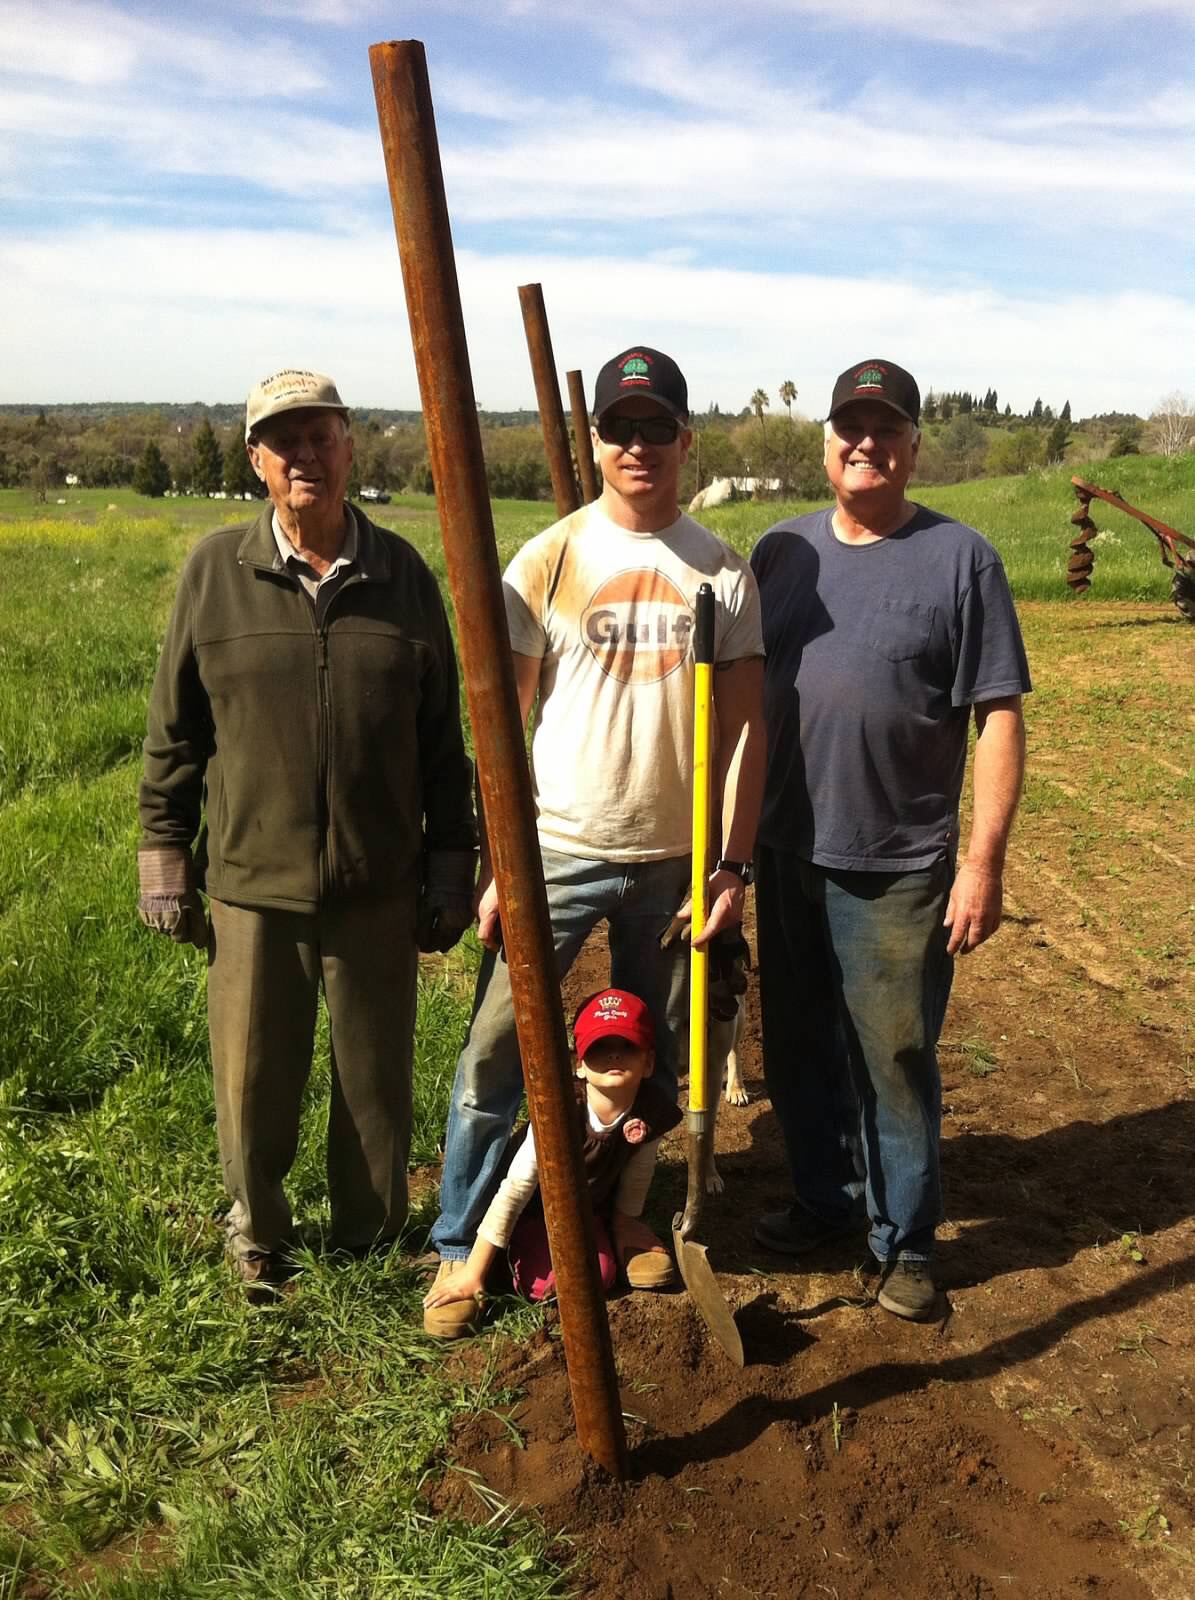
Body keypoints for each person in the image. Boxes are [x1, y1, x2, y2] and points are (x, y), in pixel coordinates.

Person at [425, 345, 766, 1337]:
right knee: (500, 1047)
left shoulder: (722, 569)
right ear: (597, 441)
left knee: (658, 1057)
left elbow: (748, 733)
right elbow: (499, 721)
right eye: (619, 428)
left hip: (674, 858)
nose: (636, 445)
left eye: (656, 427)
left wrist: (732, 865)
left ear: (683, 441)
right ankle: (462, 1245)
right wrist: (499, 864)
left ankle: (633, 1219)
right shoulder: (549, 559)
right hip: (560, 849)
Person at [137, 368, 476, 1289]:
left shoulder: (401, 576)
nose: (304, 456)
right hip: (252, 884)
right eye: (282, 441)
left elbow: (442, 742)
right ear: (257, 460)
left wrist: (451, 865)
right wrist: (164, 856)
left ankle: (367, 1237)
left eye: (320, 436)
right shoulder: (215, 572)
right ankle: (258, 1237)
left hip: (375, 884)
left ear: (350, 444)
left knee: (373, 1087)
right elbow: (174, 732)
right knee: (252, 1085)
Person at [749, 358, 1030, 1321]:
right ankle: (825, 1203)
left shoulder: (962, 561)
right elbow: (741, 704)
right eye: (848, 427)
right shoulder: (778, 552)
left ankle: (904, 1244)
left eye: (885, 428)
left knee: (894, 1062)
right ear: (826, 442)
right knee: (793, 1047)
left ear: (912, 446)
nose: (864, 443)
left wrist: (981, 865)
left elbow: (997, 717)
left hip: (899, 867)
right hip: (785, 848)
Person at [423, 988, 681, 1318]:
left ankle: (614, 1233)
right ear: (580, 1066)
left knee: (597, 1275)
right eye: (600, 1047)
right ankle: (491, 1262)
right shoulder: (558, 1111)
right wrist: (474, 1272)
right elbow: (514, 1191)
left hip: (589, 1208)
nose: (614, 1056)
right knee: (569, 1281)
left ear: (648, 1063)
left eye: (627, 1046)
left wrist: (625, 1220)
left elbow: (638, 1172)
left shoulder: (650, 1109)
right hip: (534, 1212)